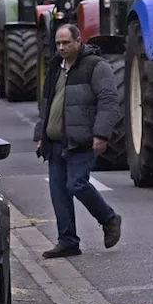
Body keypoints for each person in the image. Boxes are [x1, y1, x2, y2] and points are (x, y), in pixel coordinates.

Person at [34, 23, 122, 258]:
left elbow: (109, 101)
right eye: (58, 43)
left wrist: (101, 134)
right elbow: (47, 104)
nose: (61, 48)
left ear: (78, 41)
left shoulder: (95, 66)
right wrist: (39, 135)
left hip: (80, 141)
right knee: (58, 193)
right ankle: (68, 241)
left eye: (66, 43)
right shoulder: (55, 67)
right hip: (54, 143)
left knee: (76, 185)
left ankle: (109, 219)